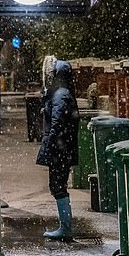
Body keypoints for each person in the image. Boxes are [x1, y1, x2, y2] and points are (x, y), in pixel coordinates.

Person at [36, 56, 79, 241]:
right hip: (62, 148)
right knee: (57, 186)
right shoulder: (62, 92)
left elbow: (57, 123)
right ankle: (64, 227)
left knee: (58, 186)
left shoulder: (61, 95)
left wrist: (51, 146)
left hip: (60, 149)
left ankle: (65, 228)